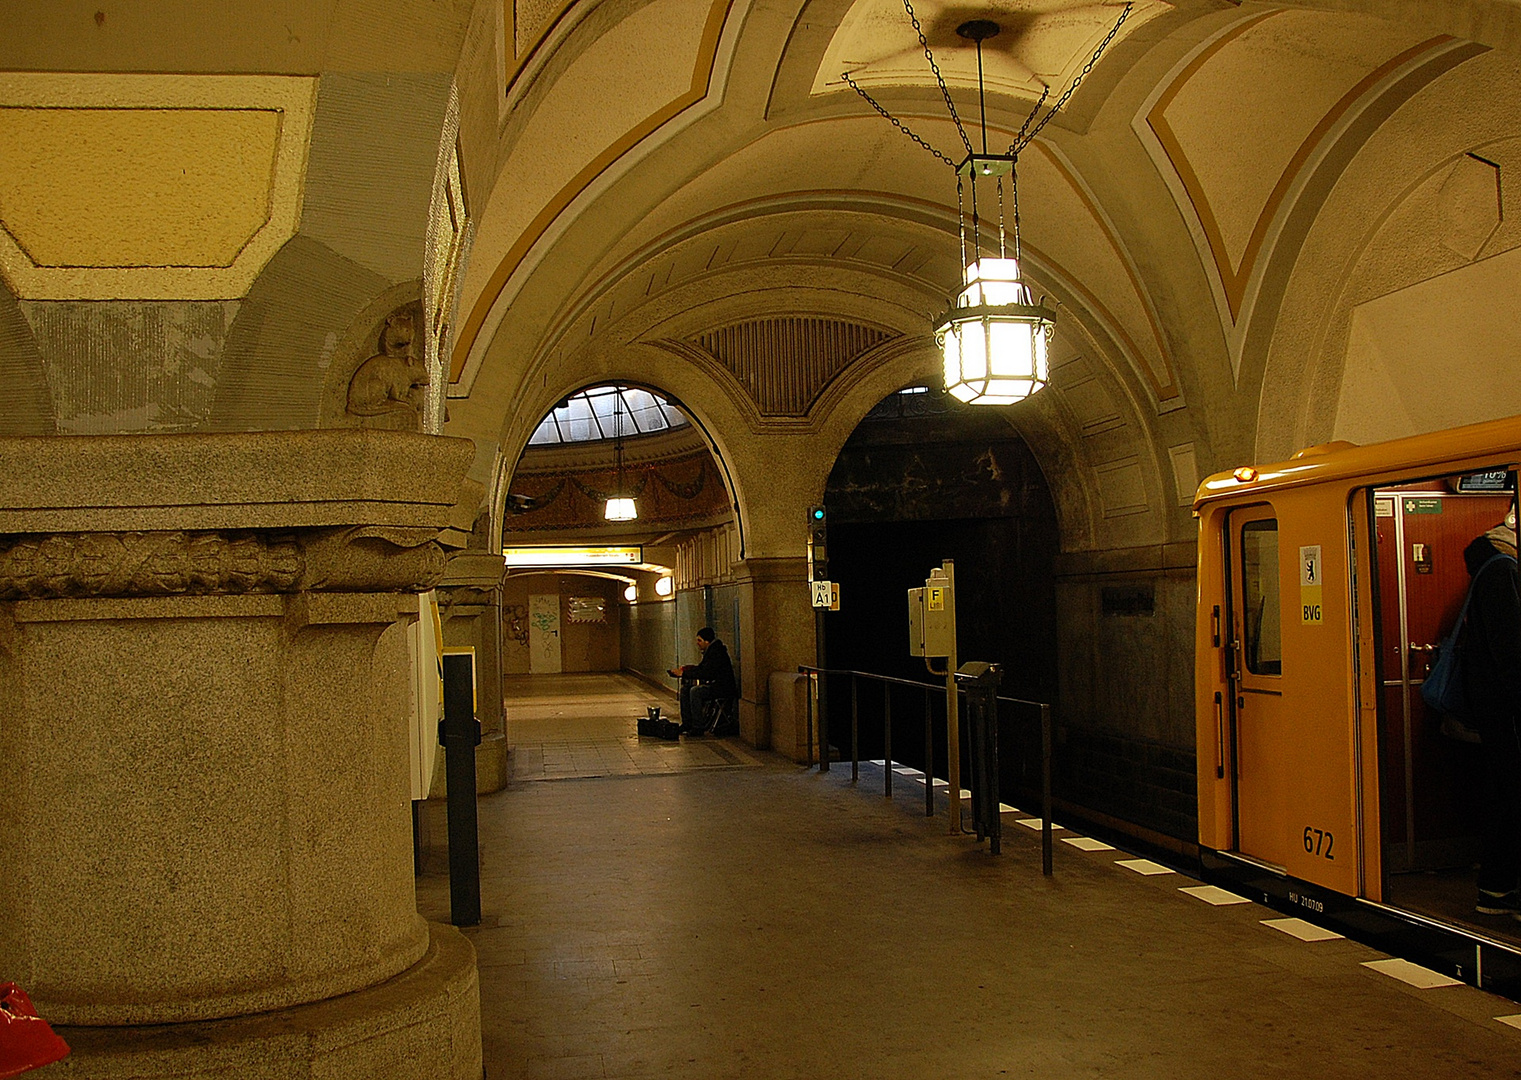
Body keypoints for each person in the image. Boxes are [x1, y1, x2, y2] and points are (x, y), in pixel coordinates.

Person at [1461, 511, 1521, 919]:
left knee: (1507, 794)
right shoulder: (1503, 572)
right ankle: (1498, 889)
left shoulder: (1492, 566)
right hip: (1508, 708)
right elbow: (1513, 652)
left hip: (1496, 707)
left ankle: (1497, 889)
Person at [668, 626, 737, 735]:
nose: (697, 643)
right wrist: (686, 670)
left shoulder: (716, 653)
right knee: (685, 690)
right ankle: (687, 723)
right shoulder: (711, 651)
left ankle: (698, 727)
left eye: (699, 640)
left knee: (695, 691)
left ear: (707, 641)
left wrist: (684, 674)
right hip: (716, 685)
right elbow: (702, 668)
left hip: (723, 687)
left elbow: (707, 673)